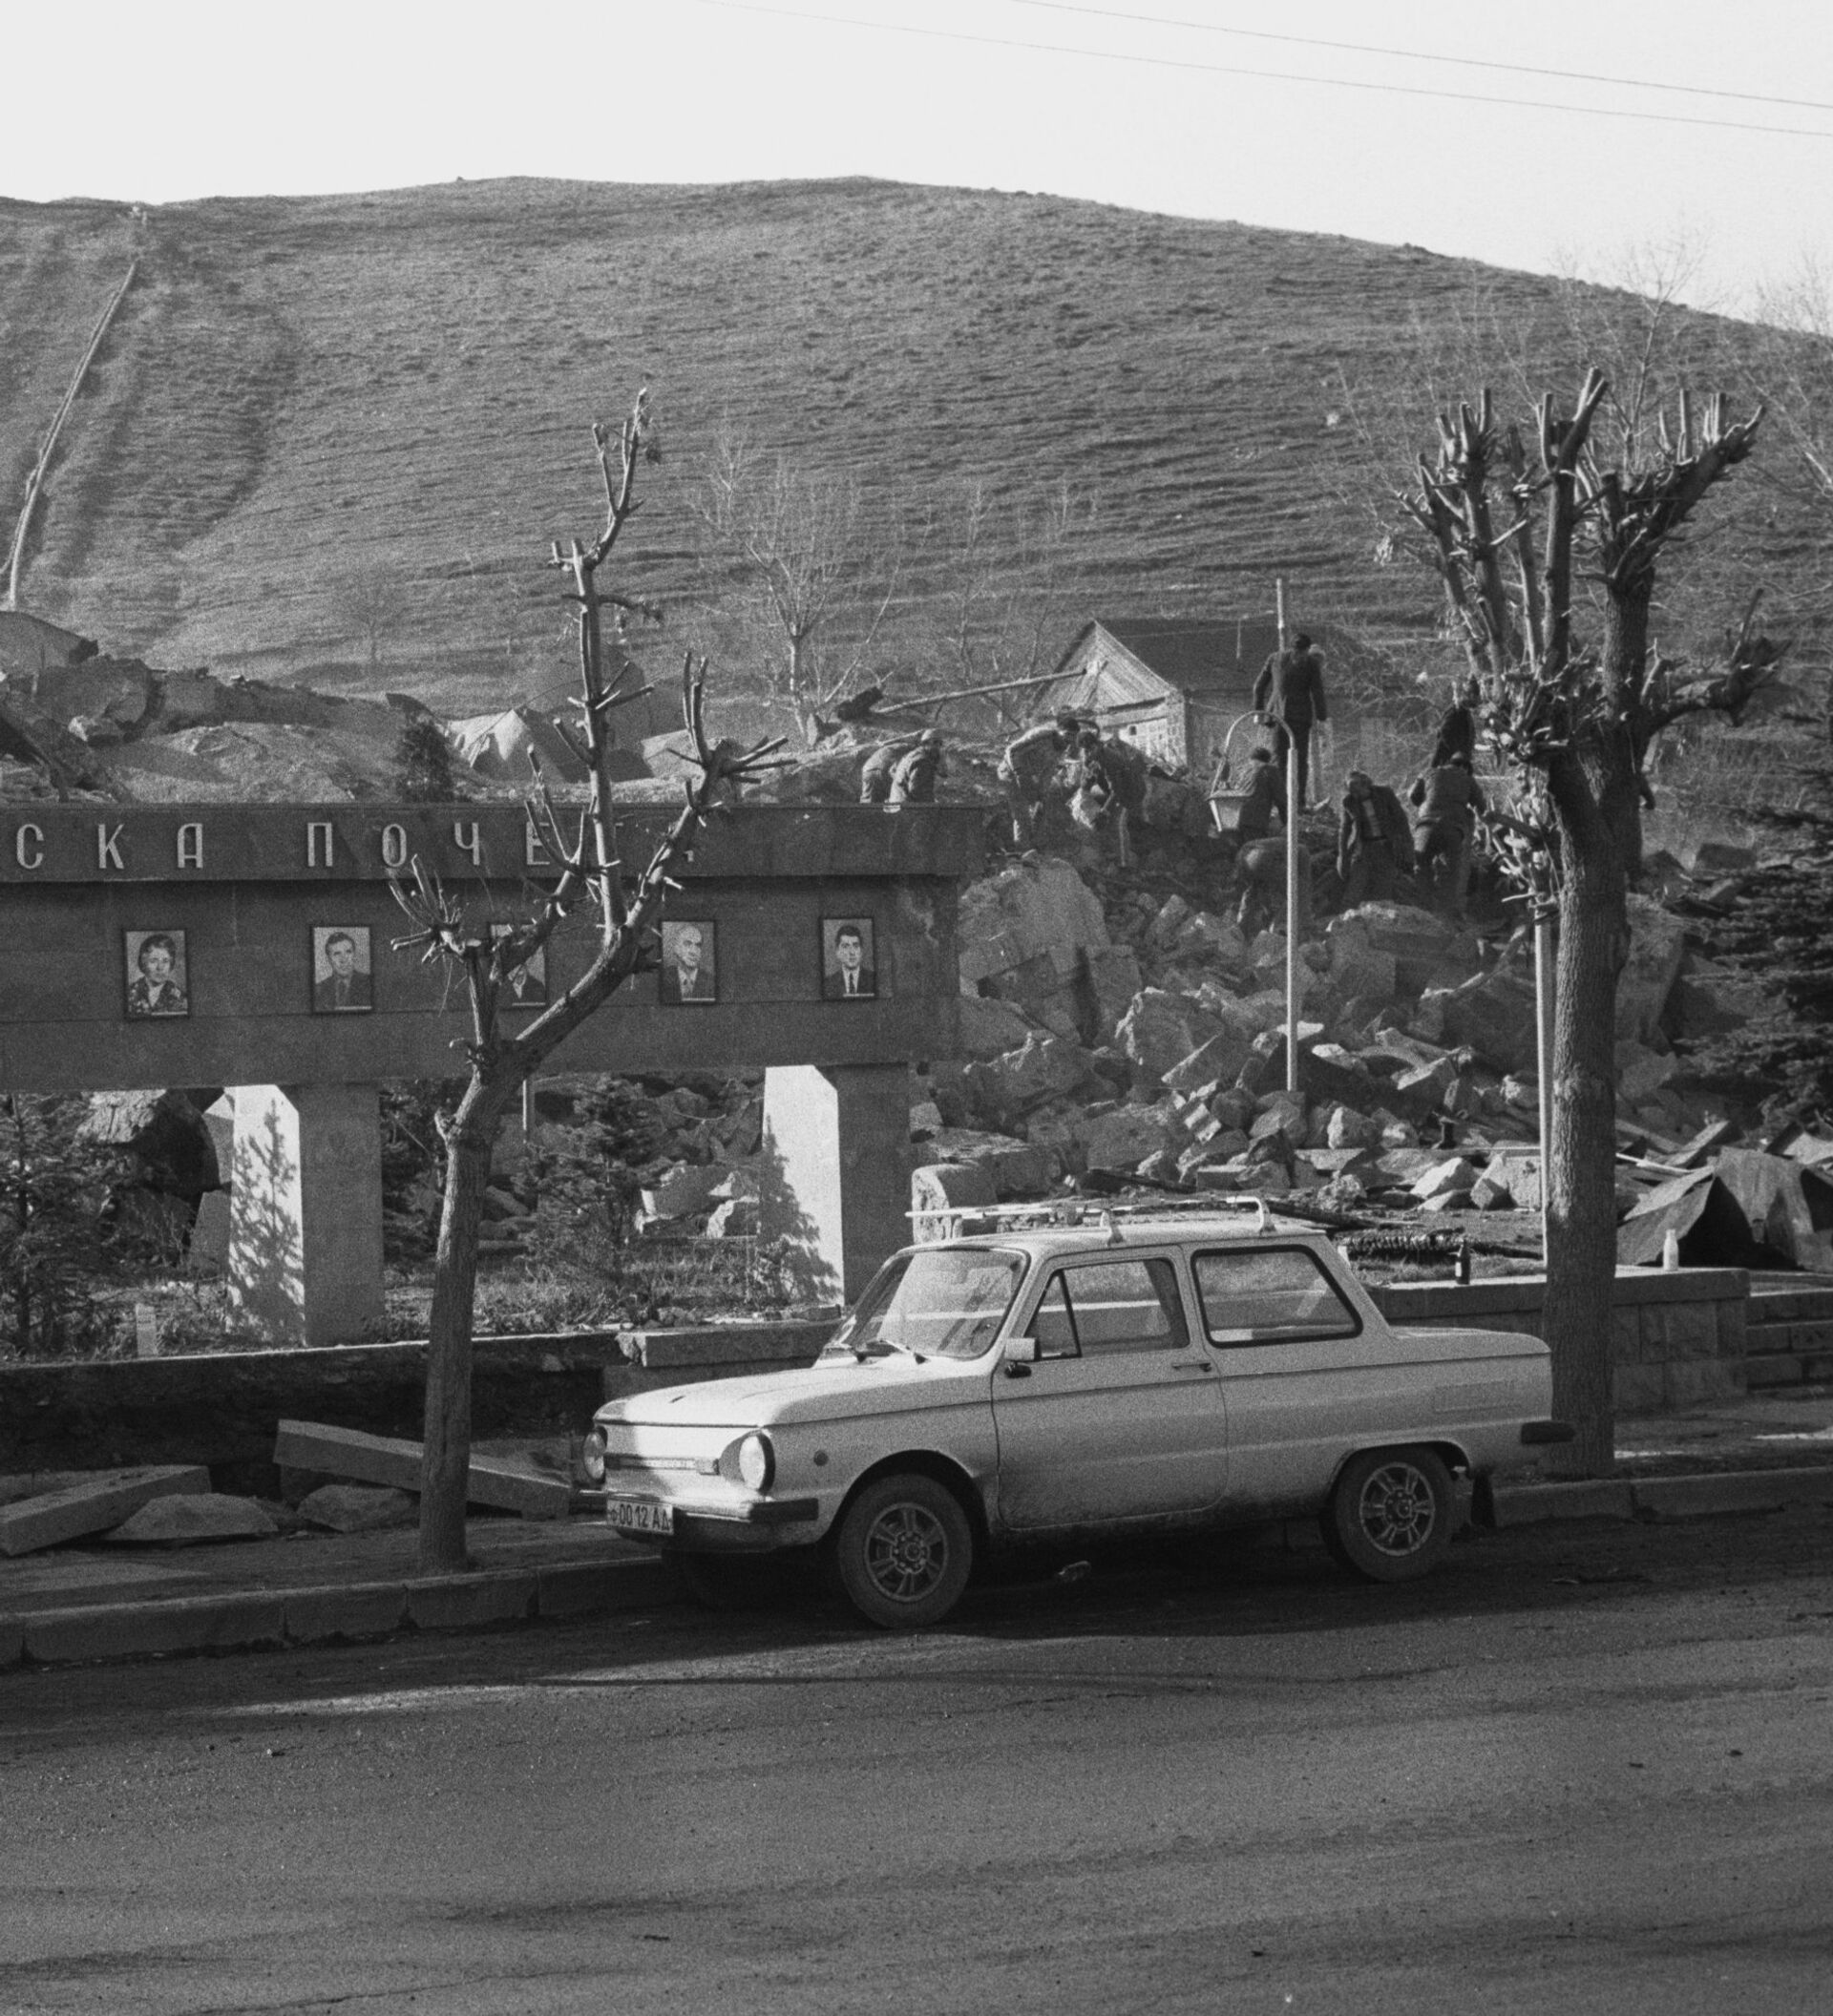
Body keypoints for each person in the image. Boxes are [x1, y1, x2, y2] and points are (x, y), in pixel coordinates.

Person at [1252, 631, 1330, 811]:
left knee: (1281, 759)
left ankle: (1282, 803)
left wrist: (1258, 713)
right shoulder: (1310, 663)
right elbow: (1317, 691)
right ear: (1306, 649)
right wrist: (1322, 717)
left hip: (1278, 717)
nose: (1300, 655)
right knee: (1298, 760)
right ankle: (1296, 803)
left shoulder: (1275, 658)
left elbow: (1259, 687)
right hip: (1298, 718)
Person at [1408, 752, 1487, 916]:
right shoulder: (1467, 779)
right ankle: (1445, 916)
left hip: (1425, 826)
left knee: (1421, 866)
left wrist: (1426, 803)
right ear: (1465, 767)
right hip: (1452, 828)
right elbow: (1481, 806)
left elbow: (1412, 796)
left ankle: (1423, 911)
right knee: (1450, 873)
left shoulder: (1428, 773)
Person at [1337, 769, 1416, 908]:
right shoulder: (1348, 802)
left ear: (1365, 784)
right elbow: (1345, 831)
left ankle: (1378, 921)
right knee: (1355, 887)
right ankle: (1345, 920)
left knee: (1383, 890)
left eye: (1358, 789)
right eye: (1352, 791)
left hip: (1386, 848)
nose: (1356, 794)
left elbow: (1401, 821)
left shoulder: (1385, 794)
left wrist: (1407, 848)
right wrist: (1342, 857)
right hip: (1364, 849)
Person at [997, 713, 1079, 847]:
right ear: (1058, 730)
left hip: (1026, 776)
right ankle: (1022, 851)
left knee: (1040, 810)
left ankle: (1035, 848)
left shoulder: (1060, 748)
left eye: (1073, 736)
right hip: (1010, 772)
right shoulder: (1042, 735)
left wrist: (1040, 796)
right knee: (1021, 814)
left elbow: (1047, 773)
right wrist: (1018, 772)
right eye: (1067, 734)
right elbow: (1011, 750)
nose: (1069, 739)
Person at [1233, 745, 1287, 843]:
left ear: (1251, 759)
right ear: (1268, 760)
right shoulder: (1270, 771)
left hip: (1235, 820)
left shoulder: (1246, 774)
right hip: (1256, 822)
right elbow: (1280, 797)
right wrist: (1286, 820)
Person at [127, 934, 187, 1017]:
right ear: (143, 963)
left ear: (171, 964)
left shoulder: (181, 997)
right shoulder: (129, 994)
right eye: (153, 961)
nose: (160, 967)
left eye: (165, 961)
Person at [1429, 676, 1481, 770]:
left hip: (1460, 765)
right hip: (1445, 763)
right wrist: (1457, 752)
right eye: (1474, 696)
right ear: (1468, 696)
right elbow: (1444, 733)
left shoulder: (1466, 714)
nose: (1477, 700)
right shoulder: (1454, 712)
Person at [313, 931, 371, 1012]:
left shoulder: (370, 983)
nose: (344, 959)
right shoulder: (318, 990)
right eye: (337, 954)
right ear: (329, 959)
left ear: (354, 955)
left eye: (348, 952)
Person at [659, 922, 716, 1003]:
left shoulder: (711, 982)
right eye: (687, 944)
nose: (693, 951)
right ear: (676, 949)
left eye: (698, 945)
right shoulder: (663, 978)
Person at [889, 728, 945, 804]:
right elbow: (916, 790)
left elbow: (892, 770)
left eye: (940, 743)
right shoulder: (922, 761)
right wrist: (932, 803)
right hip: (908, 807)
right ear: (925, 743)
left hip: (897, 801)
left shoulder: (911, 755)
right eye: (934, 742)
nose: (937, 746)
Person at [859, 736, 918, 805]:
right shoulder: (914, 752)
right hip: (883, 770)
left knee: (868, 805)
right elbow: (893, 770)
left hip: (868, 770)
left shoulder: (899, 746)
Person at [823, 922, 876, 999]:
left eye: (855, 946)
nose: (852, 952)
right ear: (838, 952)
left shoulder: (874, 980)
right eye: (845, 946)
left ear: (861, 951)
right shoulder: (827, 984)